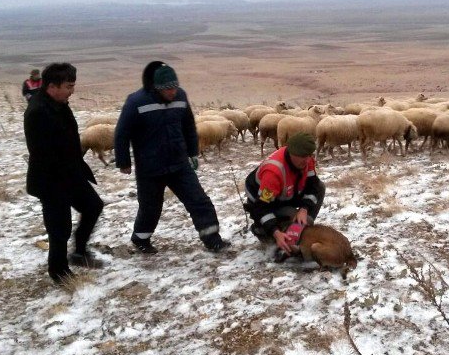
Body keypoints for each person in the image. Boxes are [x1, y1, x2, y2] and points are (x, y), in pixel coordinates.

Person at [114, 61, 230, 254]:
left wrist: (192, 152)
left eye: (175, 87)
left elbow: (189, 126)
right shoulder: (136, 102)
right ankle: (141, 239)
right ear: (157, 87)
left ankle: (212, 239)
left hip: (178, 163)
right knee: (150, 207)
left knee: (199, 201)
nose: (173, 92)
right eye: (168, 89)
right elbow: (122, 133)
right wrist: (123, 161)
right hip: (150, 167)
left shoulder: (181, 96)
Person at [23, 63, 104, 284]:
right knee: (59, 229)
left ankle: (79, 252)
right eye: (69, 86)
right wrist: (67, 182)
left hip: (71, 174)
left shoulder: (59, 103)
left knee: (93, 206)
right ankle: (59, 272)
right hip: (51, 180)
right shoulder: (38, 112)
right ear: (52, 86)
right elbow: (43, 153)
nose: (72, 90)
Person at [244, 132, 325, 260]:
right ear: (291, 153)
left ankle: (302, 227)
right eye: (302, 156)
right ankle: (263, 231)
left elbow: (313, 185)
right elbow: (261, 207)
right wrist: (275, 233)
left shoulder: (306, 160)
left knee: (320, 187)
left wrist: (304, 208)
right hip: (265, 201)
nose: (306, 160)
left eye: (308, 155)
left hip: (288, 192)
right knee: (288, 214)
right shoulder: (274, 172)